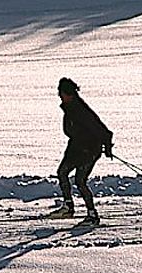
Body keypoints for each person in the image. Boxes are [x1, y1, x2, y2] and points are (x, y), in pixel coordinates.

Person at [47, 78, 113, 226]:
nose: (59, 95)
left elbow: (103, 130)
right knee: (62, 172)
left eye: (61, 92)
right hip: (76, 148)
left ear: (69, 93)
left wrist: (107, 147)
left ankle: (92, 215)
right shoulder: (70, 108)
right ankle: (68, 207)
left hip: (88, 150)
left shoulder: (80, 110)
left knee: (80, 181)